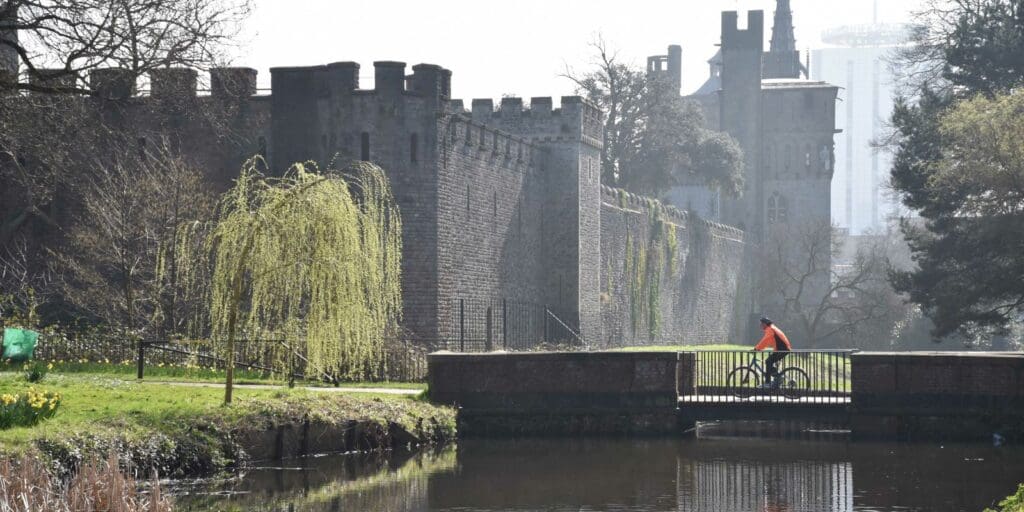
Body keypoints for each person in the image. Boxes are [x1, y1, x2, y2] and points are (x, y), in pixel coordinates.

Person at [753, 317, 791, 388]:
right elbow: (767, 342)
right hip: (781, 349)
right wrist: (759, 349)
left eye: (761, 323)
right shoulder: (771, 328)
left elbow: (765, 340)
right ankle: (778, 377)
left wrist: (756, 348)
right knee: (769, 362)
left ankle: (768, 382)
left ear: (765, 324)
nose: (760, 325)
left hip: (782, 349)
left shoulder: (770, 329)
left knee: (768, 361)